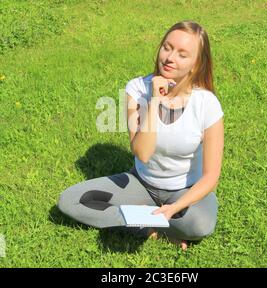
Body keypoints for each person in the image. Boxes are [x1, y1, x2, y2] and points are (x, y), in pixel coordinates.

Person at [57, 20, 224, 251]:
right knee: (70, 201)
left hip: (184, 190)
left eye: (182, 54)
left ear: (195, 65)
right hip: (142, 184)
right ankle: (151, 228)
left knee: (199, 225)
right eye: (167, 47)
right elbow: (142, 153)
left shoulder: (207, 104)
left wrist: (175, 208)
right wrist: (155, 98)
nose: (169, 57)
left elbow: (211, 177)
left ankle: (149, 218)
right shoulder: (137, 89)